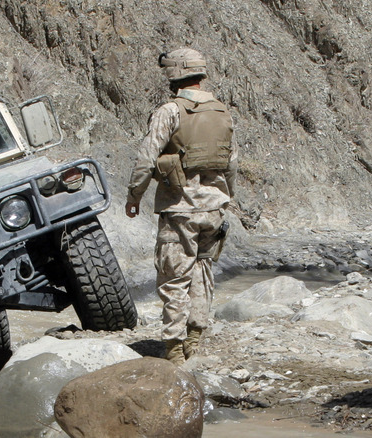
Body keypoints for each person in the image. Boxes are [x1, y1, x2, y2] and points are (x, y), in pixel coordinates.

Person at [125, 48, 238, 365]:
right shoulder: (222, 112)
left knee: (175, 277)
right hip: (214, 207)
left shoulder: (170, 111)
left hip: (180, 207)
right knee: (202, 269)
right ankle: (195, 339)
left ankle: (174, 349)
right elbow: (231, 164)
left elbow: (147, 157)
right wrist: (226, 197)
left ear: (173, 75)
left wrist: (134, 195)